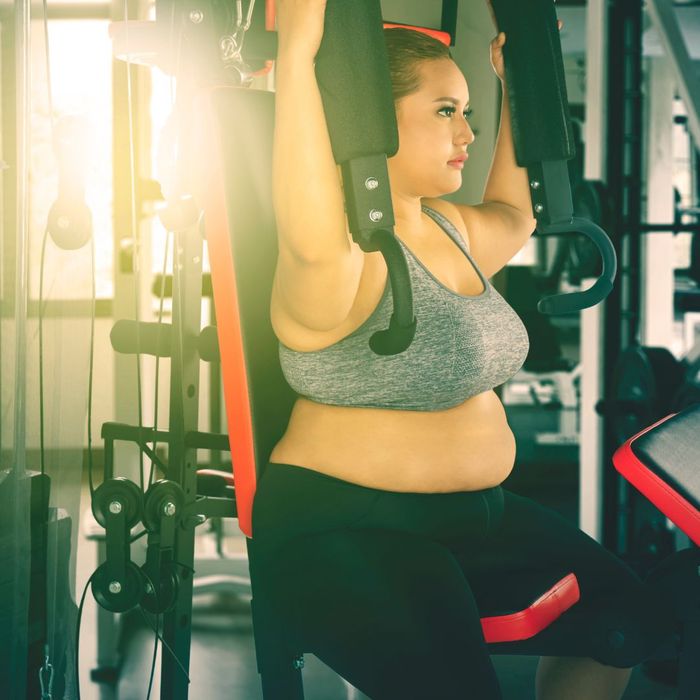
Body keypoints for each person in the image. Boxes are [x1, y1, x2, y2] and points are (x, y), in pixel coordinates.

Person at [252, 1, 673, 698]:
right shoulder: (340, 261)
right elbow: (307, 215)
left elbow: (517, 211)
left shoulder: (447, 228)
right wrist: (300, 51)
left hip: (478, 516)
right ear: (374, 121)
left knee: (624, 621)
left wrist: (521, 86)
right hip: (346, 528)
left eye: (468, 111)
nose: (467, 132)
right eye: (446, 111)